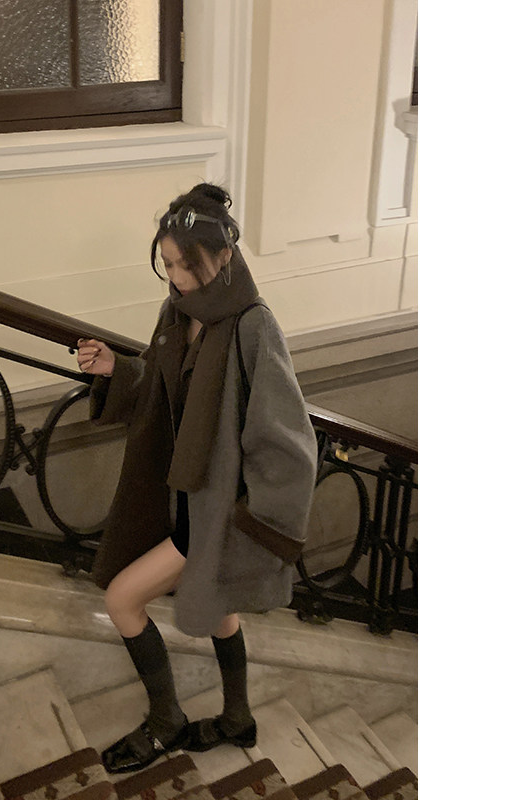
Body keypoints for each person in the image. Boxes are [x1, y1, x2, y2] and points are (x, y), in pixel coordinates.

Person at [76, 183, 318, 774]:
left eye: (185, 264)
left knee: (122, 599)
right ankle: (238, 719)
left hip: (214, 512)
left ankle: (166, 721)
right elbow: (161, 391)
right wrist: (115, 370)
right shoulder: (177, 312)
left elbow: (287, 439)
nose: (175, 276)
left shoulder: (253, 325)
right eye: (167, 263)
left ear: (224, 257)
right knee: (219, 610)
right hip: (179, 497)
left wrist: (253, 522)